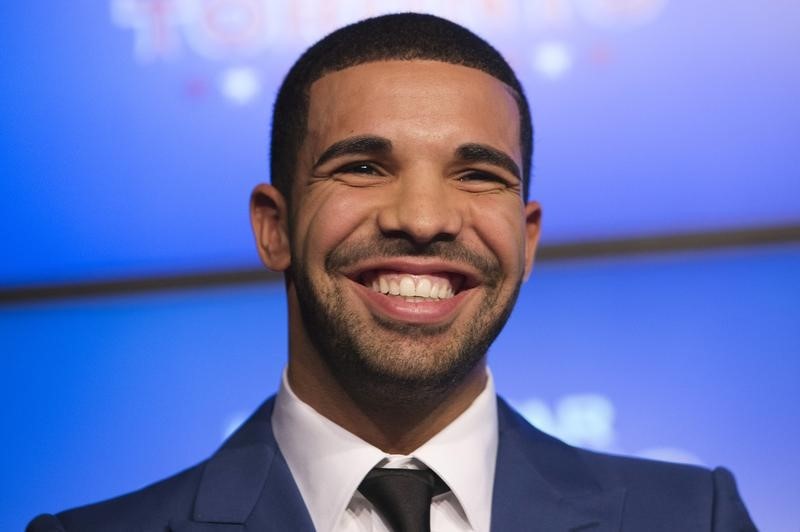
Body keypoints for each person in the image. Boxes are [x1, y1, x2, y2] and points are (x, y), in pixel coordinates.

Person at [28, 13, 756, 532]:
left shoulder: (695, 518)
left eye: (477, 174)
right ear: (273, 227)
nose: (424, 217)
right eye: (365, 167)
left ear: (528, 241)